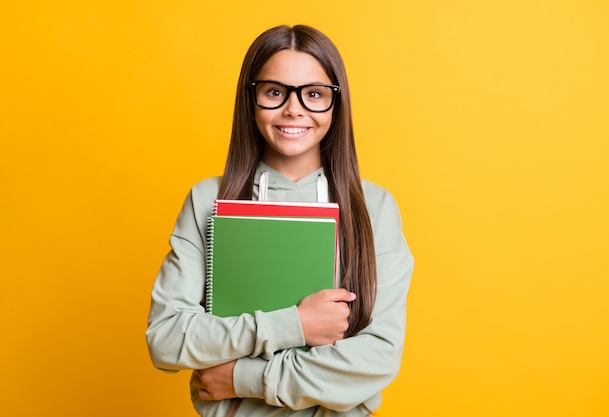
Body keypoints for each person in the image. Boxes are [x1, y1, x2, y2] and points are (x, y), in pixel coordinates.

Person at [146, 24, 414, 416]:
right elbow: (166, 340)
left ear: (336, 105)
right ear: (250, 100)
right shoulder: (208, 200)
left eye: (314, 94)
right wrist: (295, 324)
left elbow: (377, 357)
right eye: (275, 92)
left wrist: (241, 379)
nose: (294, 109)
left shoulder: (375, 207)